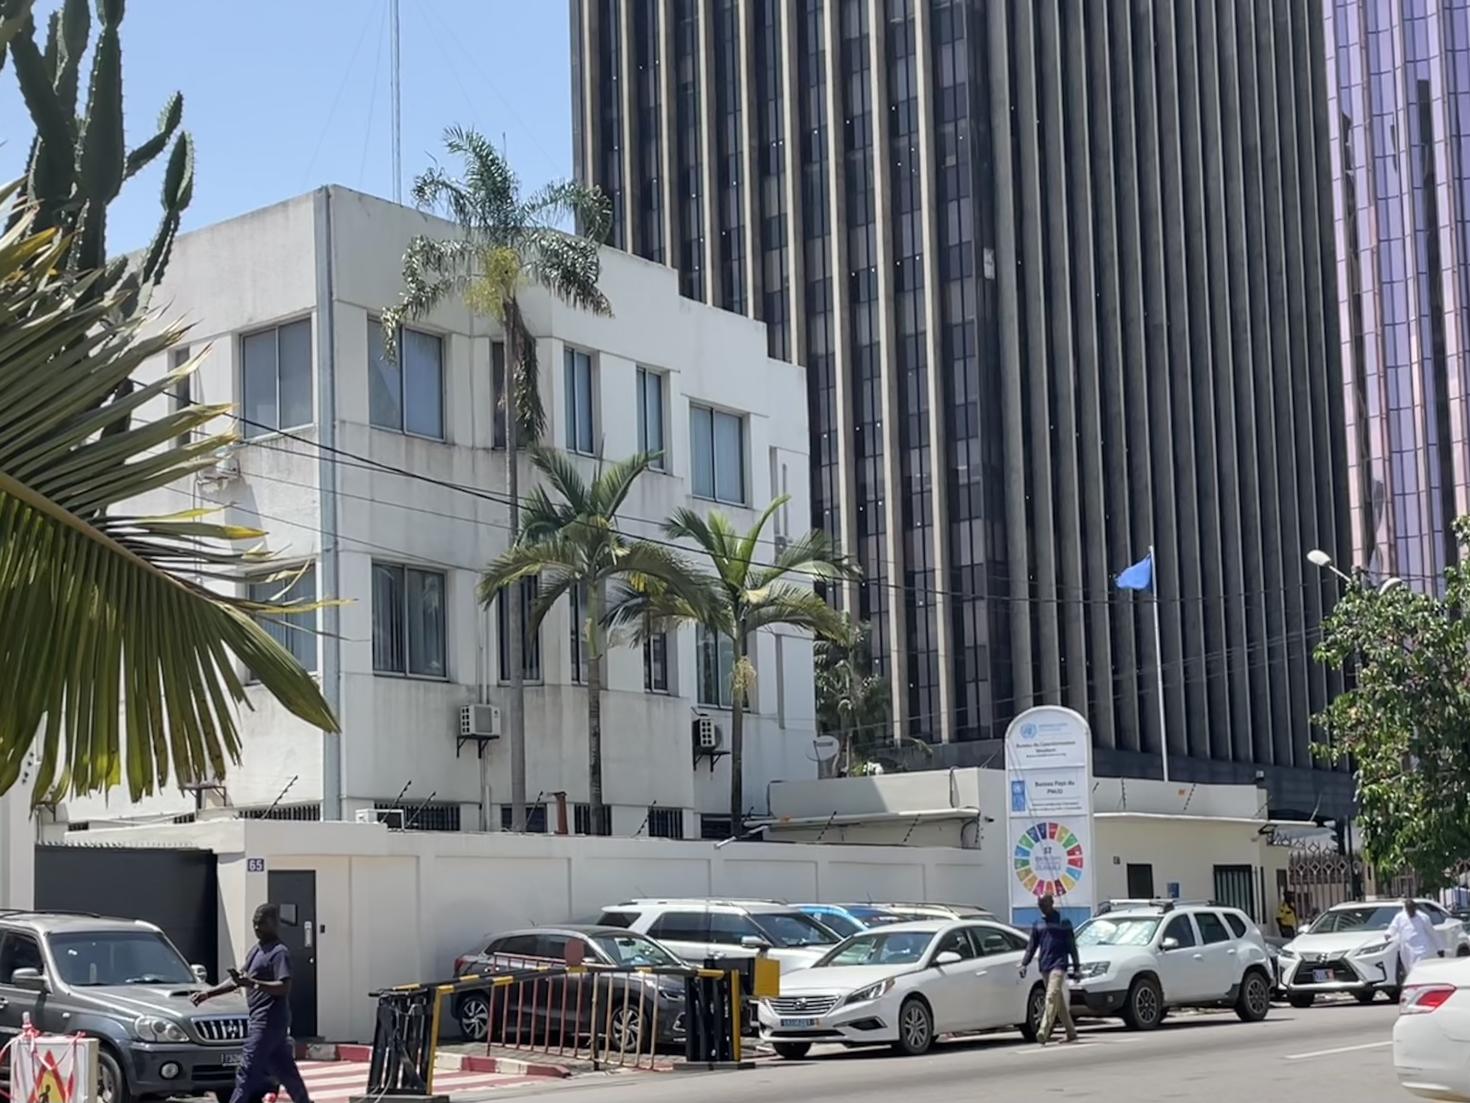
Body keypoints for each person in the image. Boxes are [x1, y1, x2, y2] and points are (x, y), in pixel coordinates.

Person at [193, 904, 312, 1103]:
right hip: (262, 1021)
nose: (257, 928)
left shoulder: (279, 952)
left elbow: (284, 987)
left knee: (246, 1070)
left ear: (274, 924)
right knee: (286, 1072)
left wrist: (253, 984)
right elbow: (238, 980)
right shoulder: (256, 950)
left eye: (262, 923)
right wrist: (208, 994)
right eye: (254, 924)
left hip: (268, 1021)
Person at [1019, 893, 1081, 1045]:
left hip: (1059, 964)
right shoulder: (1038, 924)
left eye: (1044, 903)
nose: (1042, 907)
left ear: (1052, 903)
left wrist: (1076, 966)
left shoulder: (1063, 922)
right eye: (1040, 904)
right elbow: (1031, 946)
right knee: (1058, 1001)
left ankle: (1043, 1031)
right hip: (1045, 965)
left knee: (1051, 996)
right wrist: (1024, 964)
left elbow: (1072, 946)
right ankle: (1071, 1032)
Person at [1387, 897, 1444, 978]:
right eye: (1409, 910)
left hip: (1422, 948)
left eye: (1412, 909)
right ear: (1406, 909)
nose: (1411, 912)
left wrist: (1440, 948)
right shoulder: (1400, 917)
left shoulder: (1423, 917)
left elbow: (1432, 933)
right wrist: (1389, 934)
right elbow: (1393, 927)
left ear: (1415, 908)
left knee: (1419, 969)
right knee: (1409, 970)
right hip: (1406, 949)